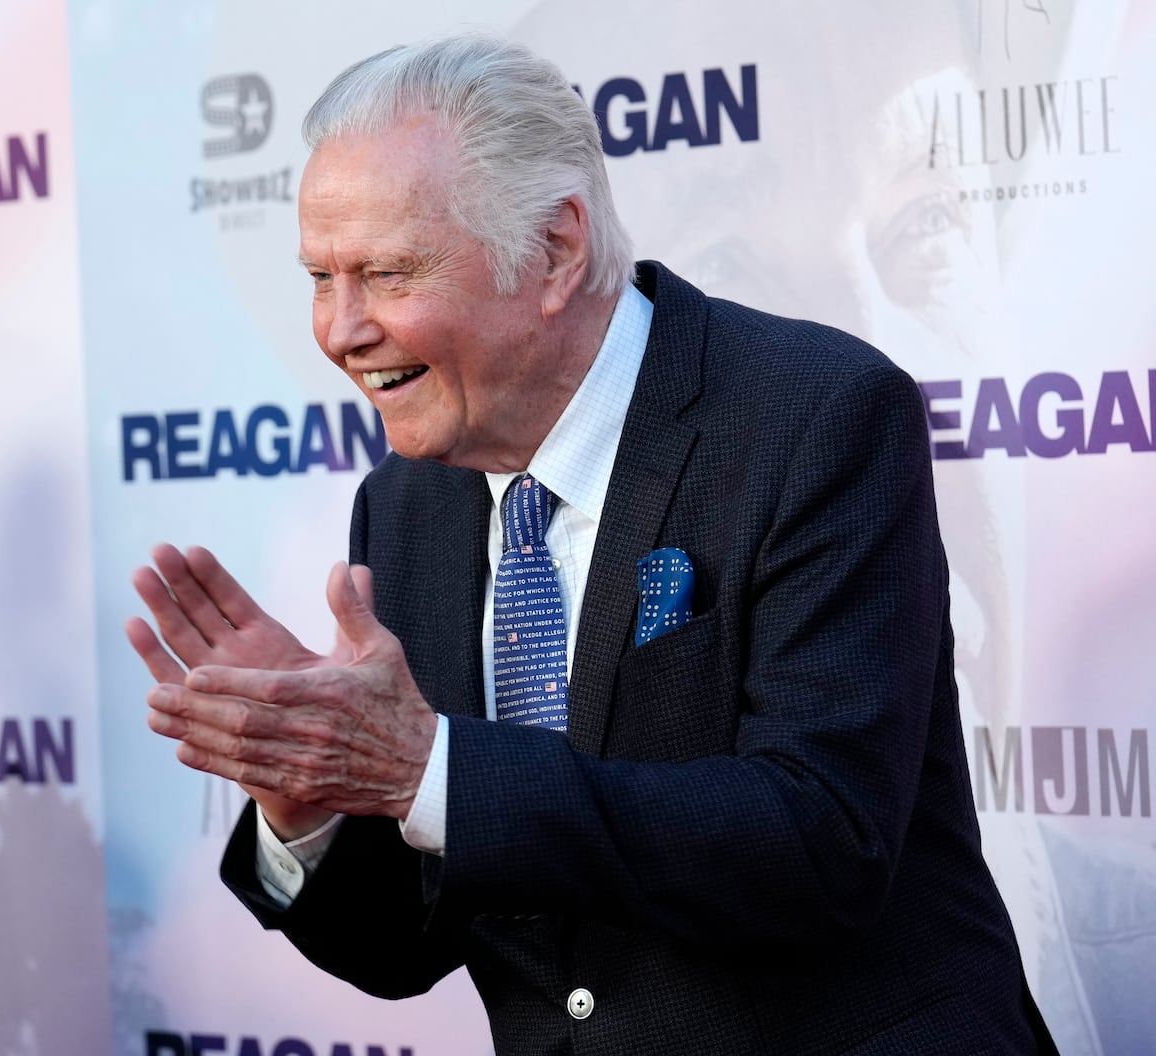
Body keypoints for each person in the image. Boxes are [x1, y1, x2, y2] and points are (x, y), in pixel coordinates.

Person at [129, 35, 1057, 1055]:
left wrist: (425, 767)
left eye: (386, 273)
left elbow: (821, 842)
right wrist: (308, 800)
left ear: (555, 251)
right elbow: (406, 944)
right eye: (320, 277)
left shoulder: (816, 420)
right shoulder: (404, 507)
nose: (339, 328)